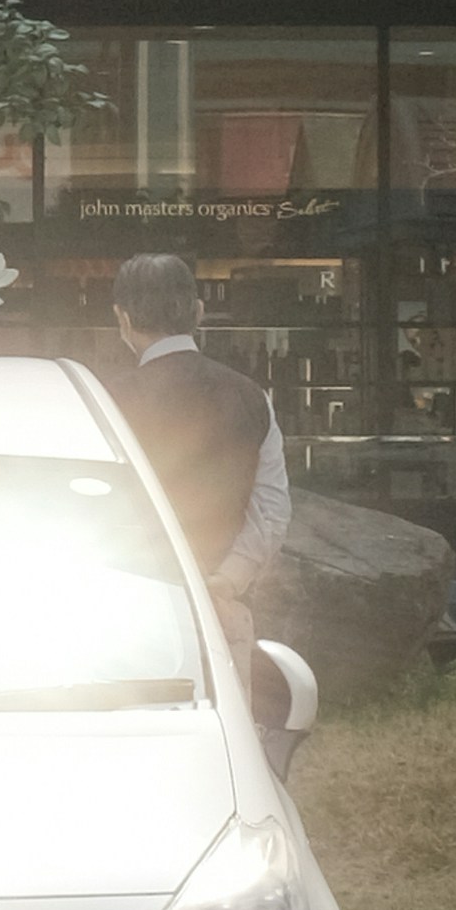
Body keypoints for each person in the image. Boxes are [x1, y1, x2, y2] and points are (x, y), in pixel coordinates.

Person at [110, 249, 296, 741]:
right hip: (218, 606)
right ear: (198, 312)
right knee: (223, 748)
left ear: (122, 319)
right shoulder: (251, 396)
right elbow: (272, 509)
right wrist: (226, 580)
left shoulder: (106, 401)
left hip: (125, 610)